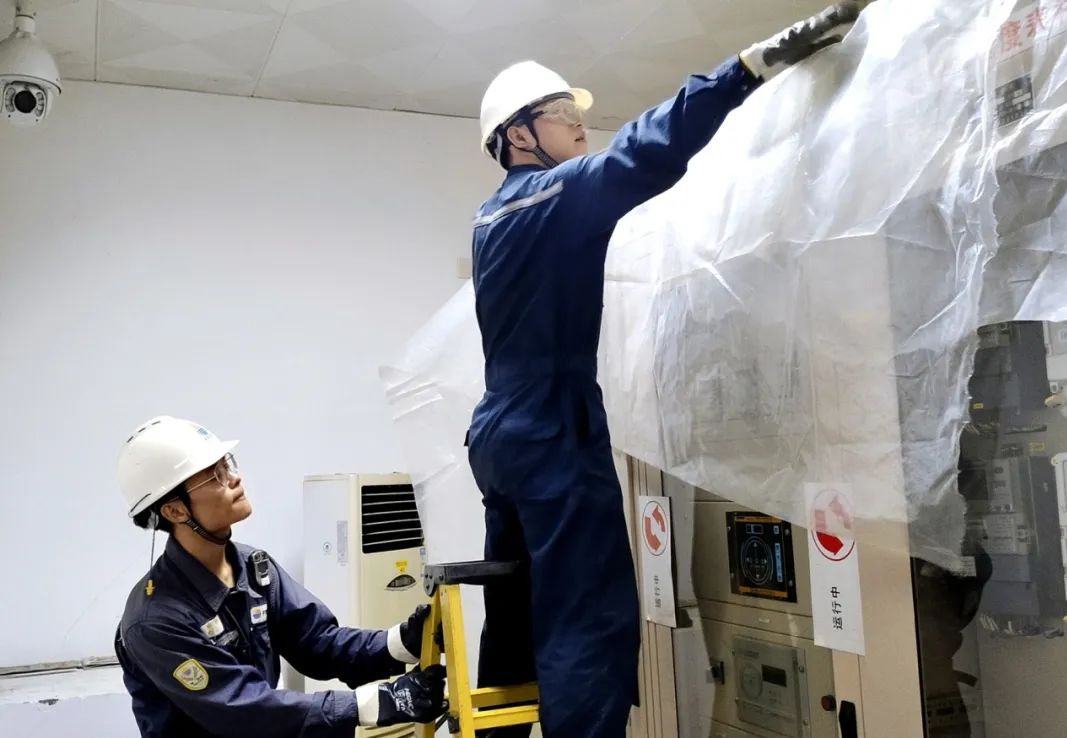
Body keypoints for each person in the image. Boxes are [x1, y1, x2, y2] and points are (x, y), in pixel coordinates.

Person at [465, 4, 862, 737]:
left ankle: (499, 728)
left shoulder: (488, 219)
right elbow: (645, 150)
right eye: (562, 115)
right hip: (553, 431)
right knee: (587, 615)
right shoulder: (553, 195)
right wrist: (746, 69)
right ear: (519, 134)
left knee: (515, 607)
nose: (580, 127)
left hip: (498, 438)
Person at [113, 415, 447, 737]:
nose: (234, 479)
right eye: (214, 477)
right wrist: (379, 703)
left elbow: (317, 642)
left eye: (227, 465)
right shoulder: (155, 620)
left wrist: (401, 642)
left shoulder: (253, 568)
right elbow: (244, 710)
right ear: (175, 510)